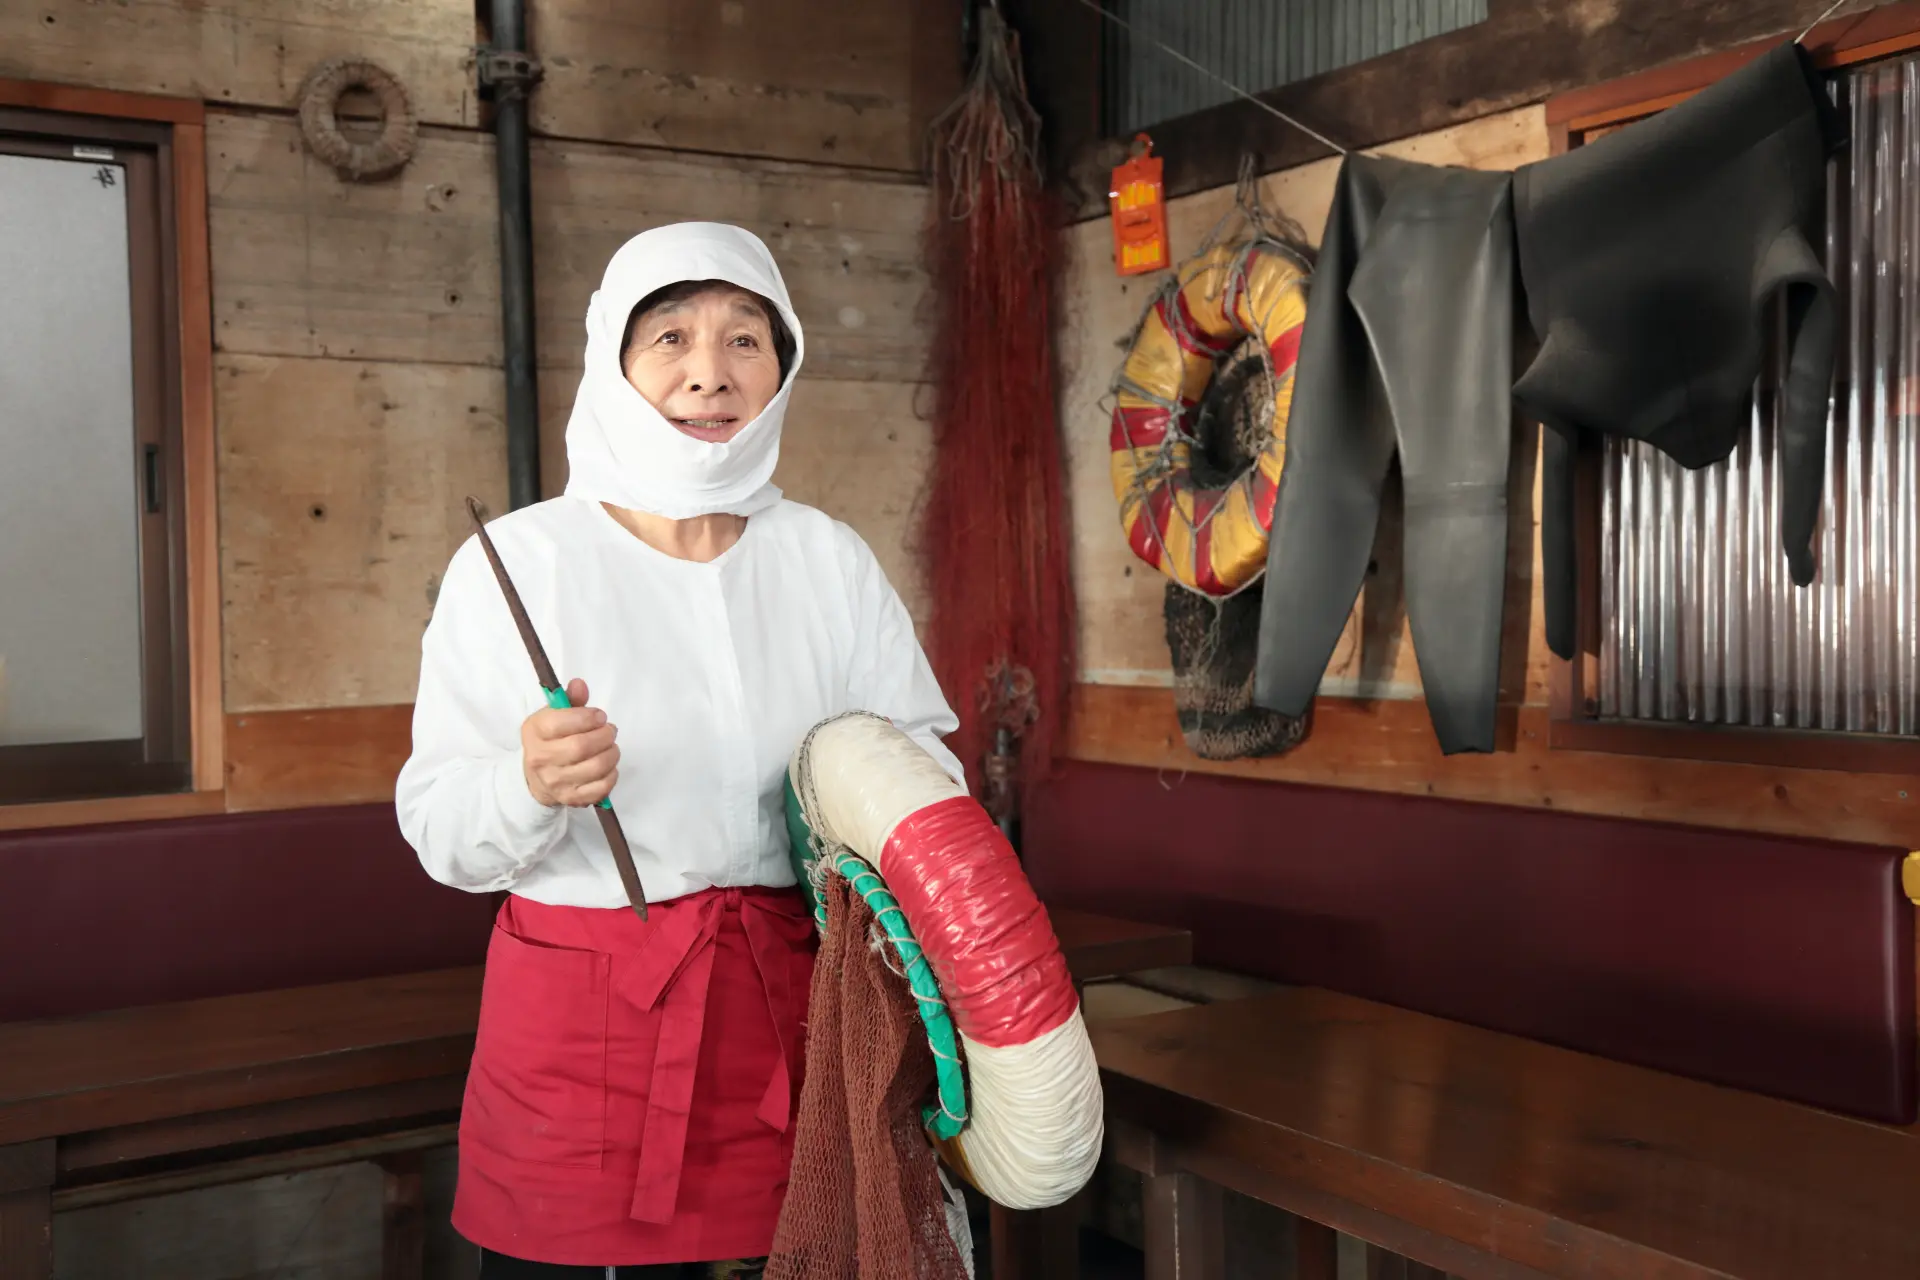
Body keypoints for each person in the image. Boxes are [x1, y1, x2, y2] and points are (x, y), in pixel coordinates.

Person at [396, 222, 964, 1278]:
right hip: (577, 1042)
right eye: (670, 338)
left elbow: (923, 773)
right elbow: (439, 828)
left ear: (782, 364)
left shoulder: (826, 558)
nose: (711, 374)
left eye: (747, 339)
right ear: (612, 360)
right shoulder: (519, 560)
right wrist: (528, 784)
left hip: (793, 1015)